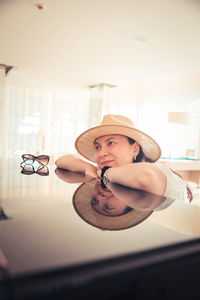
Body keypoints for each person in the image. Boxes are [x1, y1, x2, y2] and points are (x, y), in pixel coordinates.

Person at [55, 114, 192, 203]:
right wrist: (90, 168)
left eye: (111, 143)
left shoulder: (152, 170)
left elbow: (145, 178)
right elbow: (61, 161)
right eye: (97, 147)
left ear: (134, 149)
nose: (101, 153)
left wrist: (104, 172)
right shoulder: (116, 172)